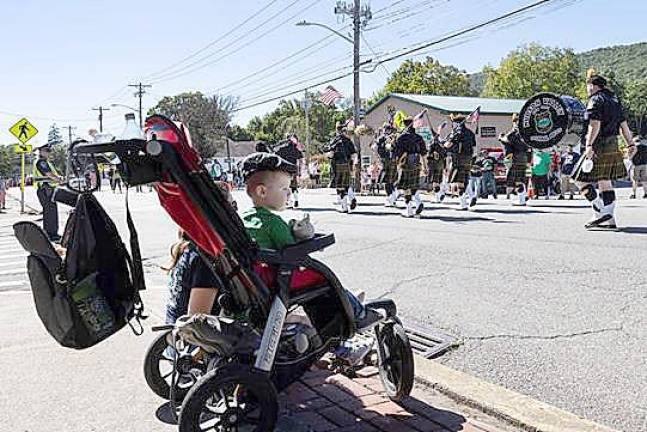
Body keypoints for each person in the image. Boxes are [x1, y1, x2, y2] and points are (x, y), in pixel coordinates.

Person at [239, 152, 381, 331]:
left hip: (255, 279)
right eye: (284, 189)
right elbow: (293, 250)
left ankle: (350, 300)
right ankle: (356, 311)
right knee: (325, 279)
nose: (289, 193)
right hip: (277, 278)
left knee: (315, 278)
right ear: (262, 191)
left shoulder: (242, 219)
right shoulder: (273, 223)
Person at [573, 70, 635, 229]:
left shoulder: (595, 100)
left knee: (578, 179)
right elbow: (624, 125)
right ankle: (609, 219)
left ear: (593, 86)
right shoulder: (614, 100)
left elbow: (595, 125)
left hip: (598, 144)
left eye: (588, 86)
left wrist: (589, 145)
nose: (587, 89)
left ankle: (599, 210)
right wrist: (630, 144)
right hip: (613, 143)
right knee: (605, 181)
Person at [393, 116, 427, 217]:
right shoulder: (419, 137)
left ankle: (409, 211)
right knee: (413, 186)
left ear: (404, 125)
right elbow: (424, 154)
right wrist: (425, 167)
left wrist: (397, 164)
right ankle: (418, 202)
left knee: (405, 188)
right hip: (417, 163)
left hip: (406, 164)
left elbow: (397, 153)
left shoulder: (401, 137)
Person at [444, 114, 476, 210]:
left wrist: (444, 143)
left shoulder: (457, 133)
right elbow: (474, 147)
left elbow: (448, 144)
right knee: (465, 179)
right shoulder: (470, 133)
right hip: (468, 158)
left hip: (458, 159)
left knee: (459, 182)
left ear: (457, 123)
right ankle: (471, 196)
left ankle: (463, 204)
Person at [324, 123, 357, 213]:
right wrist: (352, 165)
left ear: (336, 131)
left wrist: (328, 156)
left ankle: (345, 208)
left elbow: (331, 154)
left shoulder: (334, 141)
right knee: (347, 184)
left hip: (337, 165)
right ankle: (352, 197)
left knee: (340, 187)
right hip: (347, 165)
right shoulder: (348, 140)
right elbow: (354, 154)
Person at [33, 144, 64, 241]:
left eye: (49, 150)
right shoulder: (41, 162)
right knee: (50, 212)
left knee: (50, 212)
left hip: (47, 190)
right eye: (46, 150)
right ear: (41, 151)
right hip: (45, 190)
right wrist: (59, 179)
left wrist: (58, 178)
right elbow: (48, 174)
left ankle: (50, 234)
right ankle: (51, 235)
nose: (48, 152)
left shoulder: (45, 162)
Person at [499, 114, 530, 206]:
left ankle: (521, 199)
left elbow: (506, 139)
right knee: (521, 178)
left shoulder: (514, 132)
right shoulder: (525, 133)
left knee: (517, 179)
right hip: (524, 157)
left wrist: (500, 137)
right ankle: (523, 196)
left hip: (516, 157)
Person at [273, 134, 304, 208]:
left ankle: (289, 202)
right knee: (294, 186)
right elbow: (300, 159)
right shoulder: (295, 149)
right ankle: (296, 200)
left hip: (285, 169)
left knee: (286, 186)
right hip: (293, 169)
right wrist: (299, 171)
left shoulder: (281, 148)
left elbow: (275, 154)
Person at [374, 124, 398, 206]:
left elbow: (375, 148)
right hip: (394, 161)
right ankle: (393, 197)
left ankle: (391, 198)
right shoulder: (394, 138)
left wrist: (379, 158)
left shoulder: (381, 138)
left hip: (385, 161)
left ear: (385, 129)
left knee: (386, 181)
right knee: (391, 181)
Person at [426, 124, 448, 202]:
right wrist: (445, 166)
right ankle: (439, 195)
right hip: (441, 165)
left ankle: (439, 195)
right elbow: (445, 156)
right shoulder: (442, 146)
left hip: (434, 165)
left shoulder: (432, 145)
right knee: (438, 181)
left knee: (435, 181)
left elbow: (428, 155)